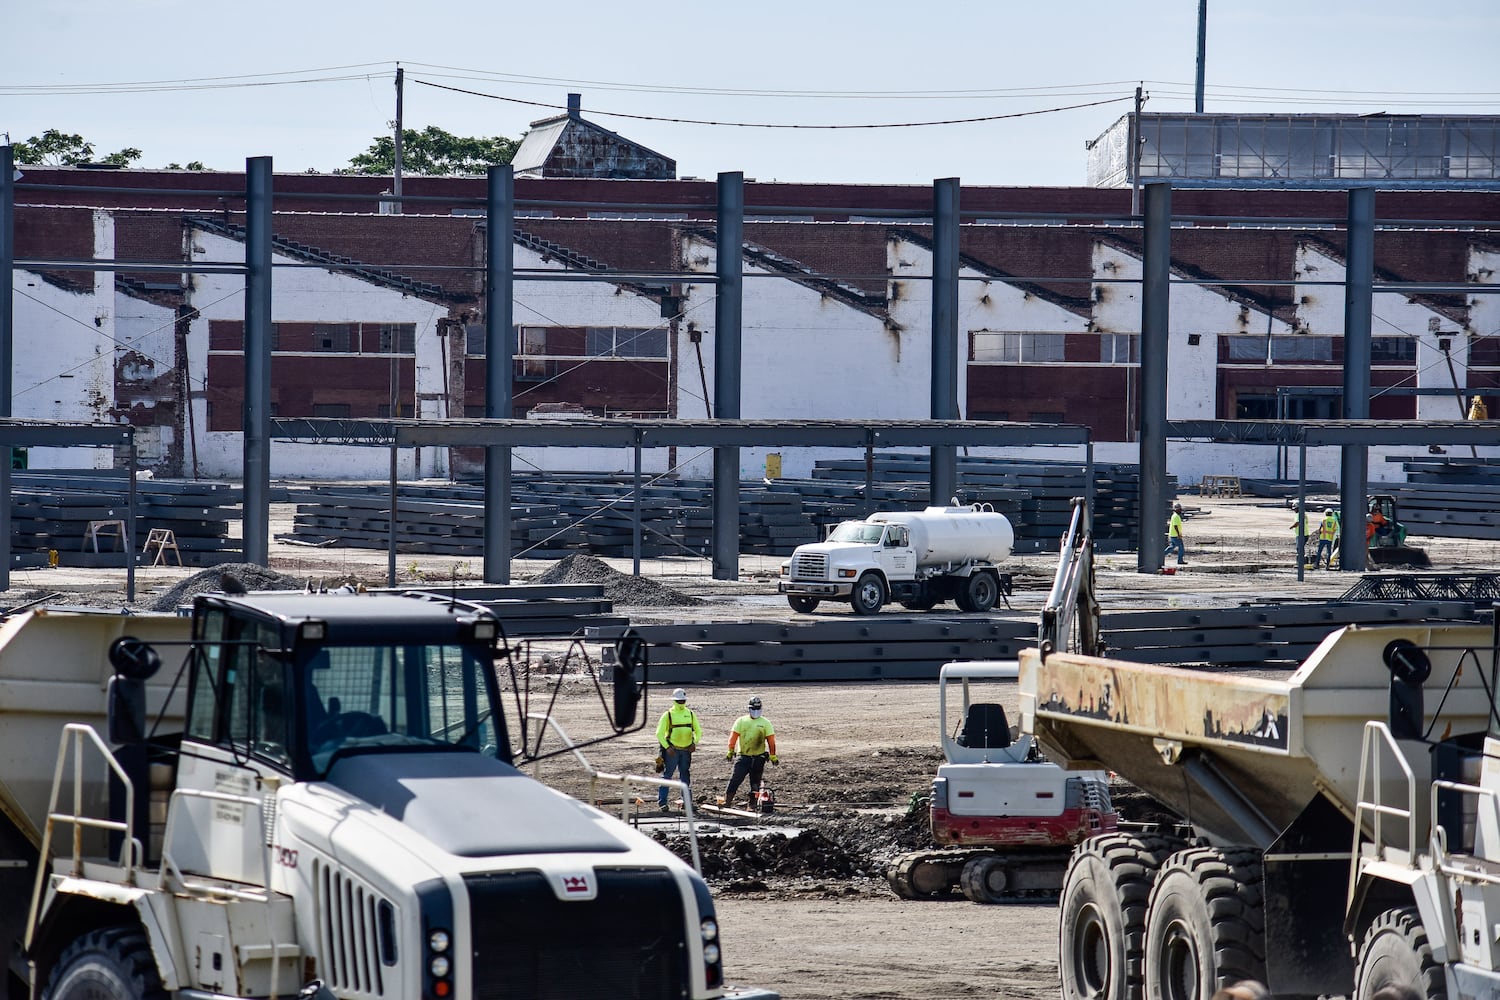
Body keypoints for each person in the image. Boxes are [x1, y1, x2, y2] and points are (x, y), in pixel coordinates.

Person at [723, 695, 778, 809]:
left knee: (755, 782)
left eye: (758, 709)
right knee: (735, 779)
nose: (756, 711)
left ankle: (752, 804)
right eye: (754, 709)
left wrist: (773, 755)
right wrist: (730, 750)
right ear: (749, 708)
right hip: (743, 757)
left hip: (759, 758)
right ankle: (727, 802)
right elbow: (733, 737)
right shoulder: (741, 721)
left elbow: (771, 740)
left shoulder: (765, 723)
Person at [655, 687, 702, 812]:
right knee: (667, 776)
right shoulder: (668, 715)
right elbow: (659, 733)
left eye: (683, 701)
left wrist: (694, 743)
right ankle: (662, 803)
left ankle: (687, 802)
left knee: (685, 777)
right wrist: (667, 747)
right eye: (679, 701)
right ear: (674, 701)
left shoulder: (691, 714)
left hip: (686, 751)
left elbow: (698, 731)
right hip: (672, 751)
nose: (681, 703)